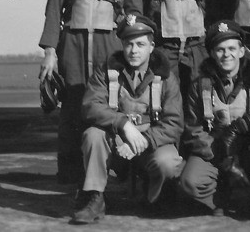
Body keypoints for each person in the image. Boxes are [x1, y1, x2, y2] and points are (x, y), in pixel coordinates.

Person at [38, 0, 142, 184]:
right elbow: (53, 10)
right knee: (72, 107)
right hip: (73, 45)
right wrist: (50, 52)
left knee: (111, 104)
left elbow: (135, 15)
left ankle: (113, 169)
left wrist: (134, 55)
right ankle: (70, 175)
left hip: (110, 47)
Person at [71, 14, 184, 224]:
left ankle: (155, 197)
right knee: (93, 135)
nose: (133, 50)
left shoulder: (166, 77)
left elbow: (174, 123)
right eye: (128, 44)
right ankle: (94, 198)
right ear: (122, 45)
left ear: (151, 46)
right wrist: (123, 124)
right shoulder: (107, 71)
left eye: (140, 44)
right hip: (116, 144)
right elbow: (90, 105)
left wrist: (144, 141)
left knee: (168, 162)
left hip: (149, 144)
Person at [179, 19, 250, 218]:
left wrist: (244, 124)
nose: (226, 55)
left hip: (249, 148)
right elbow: (193, 128)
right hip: (215, 150)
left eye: (231, 49)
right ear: (211, 53)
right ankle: (222, 198)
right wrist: (222, 156)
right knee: (189, 183)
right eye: (220, 50)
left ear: (242, 51)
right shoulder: (200, 85)